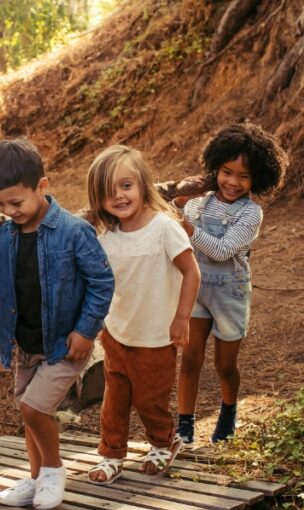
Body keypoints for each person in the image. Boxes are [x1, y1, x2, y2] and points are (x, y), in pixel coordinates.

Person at [0, 139, 114, 509]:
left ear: (42, 186)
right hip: (26, 347)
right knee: (29, 412)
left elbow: (102, 282)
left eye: (17, 202)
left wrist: (87, 330)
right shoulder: (5, 237)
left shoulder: (74, 232)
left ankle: (54, 471)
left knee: (33, 408)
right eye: (1, 205)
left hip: (65, 344)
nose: (10, 212)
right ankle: (37, 477)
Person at [84, 145, 201, 485]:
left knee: (150, 398)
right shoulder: (106, 238)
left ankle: (164, 441)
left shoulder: (164, 227)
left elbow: (191, 272)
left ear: (142, 184)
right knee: (114, 398)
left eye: (125, 185)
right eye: (108, 192)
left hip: (156, 334)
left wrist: (182, 318)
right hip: (118, 332)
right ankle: (111, 454)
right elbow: (102, 284)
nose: (118, 196)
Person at [175, 123, 288, 444]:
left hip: (230, 291)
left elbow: (223, 251)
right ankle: (185, 423)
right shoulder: (199, 202)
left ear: (258, 179)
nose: (233, 182)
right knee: (190, 358)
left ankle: (228, 411)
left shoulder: (251, 214)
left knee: (225, 365)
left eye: (244, 176)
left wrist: (185, 224)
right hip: (195, 287)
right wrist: (178, 200)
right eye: (227, 172)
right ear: (215, 168)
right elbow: (170, 216)